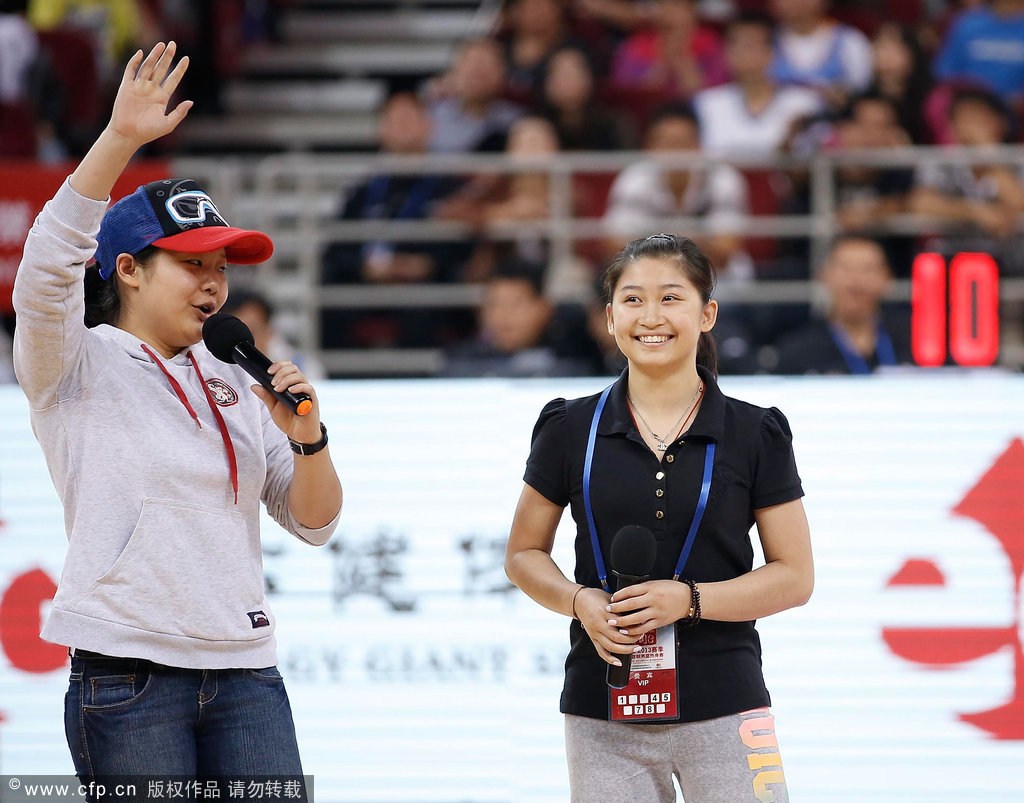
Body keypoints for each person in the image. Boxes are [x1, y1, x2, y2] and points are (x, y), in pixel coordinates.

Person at [11, 42, 342, 796]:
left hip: (247, 672)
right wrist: (119, 139)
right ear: (127, 269)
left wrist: (309, 439)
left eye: (221, 268)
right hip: (127, 674)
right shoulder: (71, 360)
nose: (214, 284)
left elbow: (315, 522)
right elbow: (45, 270)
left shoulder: (236, 375)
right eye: (192, 264)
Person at [505, 233, 813, 801]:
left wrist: (690, 600)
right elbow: (523, 554)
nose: (651, 316)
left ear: (707, 314)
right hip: (602, 705)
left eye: (671, 298)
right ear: (610, 317)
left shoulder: (755, 431)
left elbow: (795, 577)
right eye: (633, 299)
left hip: (727, 699)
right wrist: (579, 600)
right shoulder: (570, 427)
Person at [771, 234, 912, 374]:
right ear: (824, 275)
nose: (856, 279)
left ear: (887, 278)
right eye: (846, 268)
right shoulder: (797, 351)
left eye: (867, 269)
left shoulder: (913, 341)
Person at [221, 287, 326, 381]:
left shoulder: (304, 367)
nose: (246, 340)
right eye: (237, 334)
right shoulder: (218, 370)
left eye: (253, 330)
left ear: (268, 326)